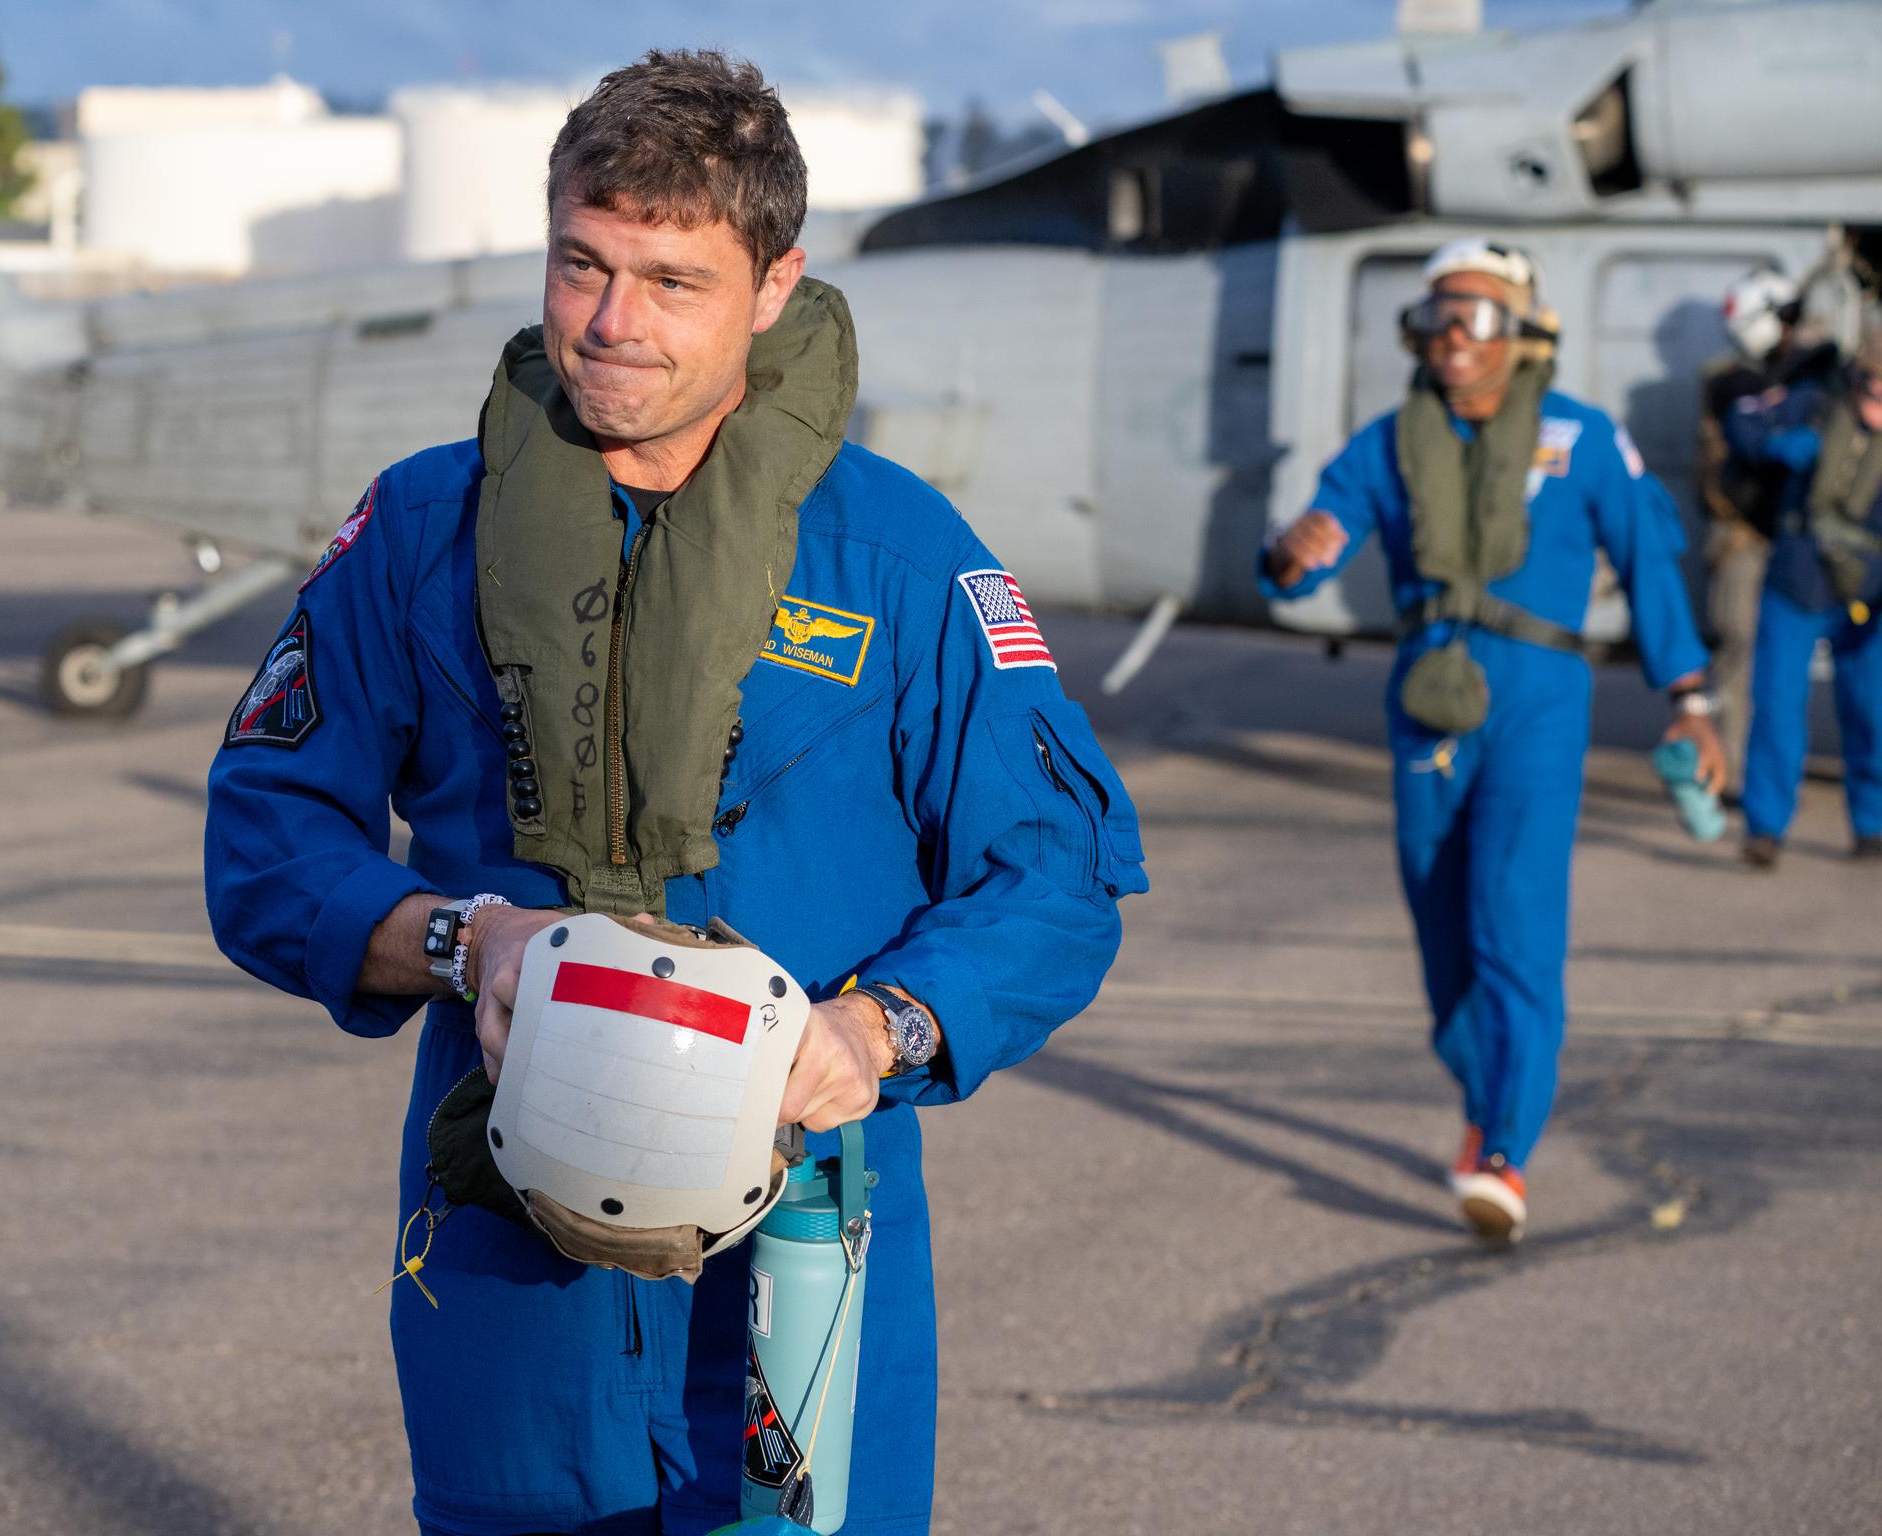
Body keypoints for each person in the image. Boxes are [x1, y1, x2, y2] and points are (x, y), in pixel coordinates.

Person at [203, 50, 1146, 1536]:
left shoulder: (900, 558)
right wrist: (465, 941)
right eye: (582, 263)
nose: (612, 322)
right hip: (508, 1252)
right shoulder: (423, 529)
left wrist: (878, 1031)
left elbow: (1058, 874)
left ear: (774, 287)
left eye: (672, 281)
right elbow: (266, 835)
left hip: (804, 1240)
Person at [1260, 239, 1723, 1245]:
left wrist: (1691, 700)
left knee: (1514, 921)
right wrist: (1290, 554)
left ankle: (1505, 1147)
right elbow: (1307, 551)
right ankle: (1485, 1098)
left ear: (1520, 331)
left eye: (1472, 316)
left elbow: (1650, 563)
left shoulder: (1583, 438)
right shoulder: (1389, 444)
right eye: (1434, 317)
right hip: (1428, 700)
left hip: (1539, 701)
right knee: (1441, 942)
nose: (1450, 337)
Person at [1728, 328, 1882, 869]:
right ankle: (1765, 827)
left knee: (1872, 712)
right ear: (1858, 378)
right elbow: (1742, 417)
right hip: (1798, 580)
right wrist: (1775, 445)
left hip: (1870, 593)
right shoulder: (1814, 403)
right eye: (1876, 389)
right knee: (1777, 706)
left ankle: (1872, 822)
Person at [1695, 267, 1840, 796]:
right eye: (1787, 317)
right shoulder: (1733, 382)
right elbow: (1753, 433)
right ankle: (1732, 771)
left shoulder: (1810, 376)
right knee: (1740, 649)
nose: (1794, 328)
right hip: (1747, 538)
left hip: (1802, 539)